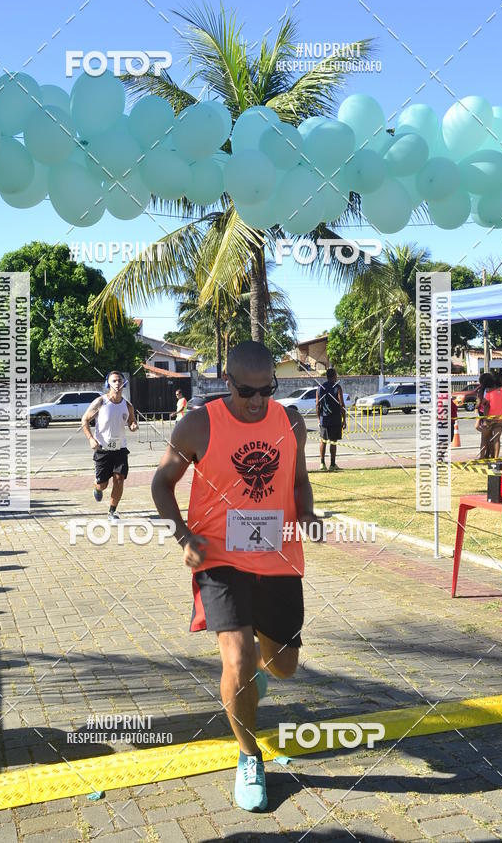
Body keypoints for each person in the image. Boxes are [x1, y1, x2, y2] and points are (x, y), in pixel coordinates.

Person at [151, 341, 326, 813]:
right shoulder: (198, 423)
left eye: (266, 389)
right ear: (226, 381)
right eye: (247, 390)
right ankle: (250, 756)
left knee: (284, 665)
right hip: (218, 557)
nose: (256, 400)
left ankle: (252, 681)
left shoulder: (290, 421)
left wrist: (306, 512)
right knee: (239, 659)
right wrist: (184, 537)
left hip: (279, 558)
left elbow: (298, 479)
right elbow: (160, 483)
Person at [81, 370, 138, 522]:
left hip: (120, 449)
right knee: (103, 485)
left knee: (119, 479)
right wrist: (90, 439)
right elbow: (84, 420)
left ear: (124, 383)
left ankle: (112, 512)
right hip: (103, 450)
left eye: (119, 380)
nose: (117, 383)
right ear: (108, 384)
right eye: (114, 381)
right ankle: (96, 487)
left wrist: (133, 425)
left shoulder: (128, 405)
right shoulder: (100, 402)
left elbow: (132, 421)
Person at [315, 367, 346, 471]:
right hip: (335, 419)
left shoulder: (320, 388)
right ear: (335, 376)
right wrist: (344, 419)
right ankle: (332, 464)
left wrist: (319, 419)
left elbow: (317, 405)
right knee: (333, 441)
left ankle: (322, 463)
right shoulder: (337, 387)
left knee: (323, 440)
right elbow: (342, 404)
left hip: (324, 419)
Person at [481, 371, 502, 460]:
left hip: (489, 418)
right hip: (501, 418)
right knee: (497, 439)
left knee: (485, 438)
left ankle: (482, 457)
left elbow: (484, 403)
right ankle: (496, 458)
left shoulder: (490, 393)